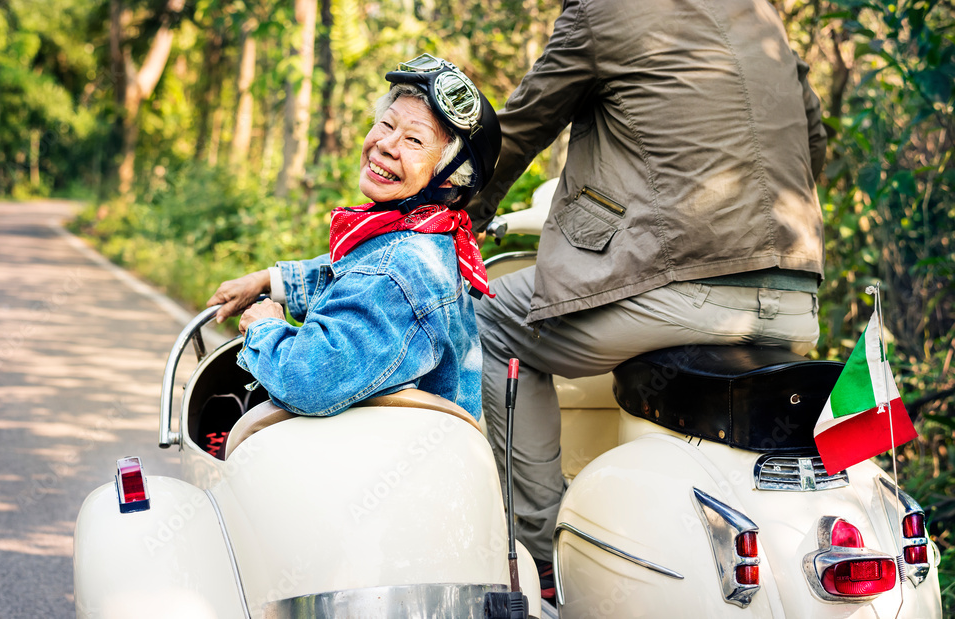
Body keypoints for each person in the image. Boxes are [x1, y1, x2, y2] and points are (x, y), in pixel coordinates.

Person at [465, 0, 828, 598]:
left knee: (490, 319)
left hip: (680, 284)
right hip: (795, 294)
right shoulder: (759, 12)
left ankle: (537, 560)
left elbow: (520, 130)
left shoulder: (599, 13)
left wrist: (459, 217)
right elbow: (811, 142)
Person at [207, 54, 501, 420]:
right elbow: (357, 277)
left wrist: (266, 326)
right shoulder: (431, 237)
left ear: (448, 177)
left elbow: (304, 380)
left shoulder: (398, 271)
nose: (386, 145)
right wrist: (269, 280)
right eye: (386, 124)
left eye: (413, 140)